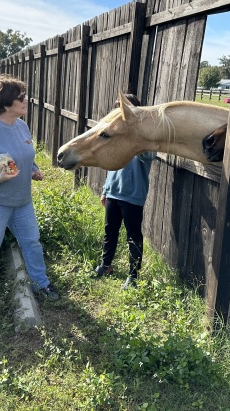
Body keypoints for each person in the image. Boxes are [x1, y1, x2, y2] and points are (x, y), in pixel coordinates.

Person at [0, 74, 59, 312]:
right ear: (6, 104)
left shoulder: (21, 125)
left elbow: (25, 156)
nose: (26, 100)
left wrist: (33, 169)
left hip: (22, 202)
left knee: (32, 242)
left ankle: (40, 283)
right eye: (21, 97)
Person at [92, 94, 156, 289]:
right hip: (113, 193)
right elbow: (112, 165)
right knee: (110, 231)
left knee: (133, 236)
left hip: (133, 196)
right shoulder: (114, 137)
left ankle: (133, 276)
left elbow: (148, 156)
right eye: (117, 110)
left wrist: (134, 135)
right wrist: (105, 189)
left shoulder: (146, 140)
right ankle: (106, 265)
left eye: (124, 110)